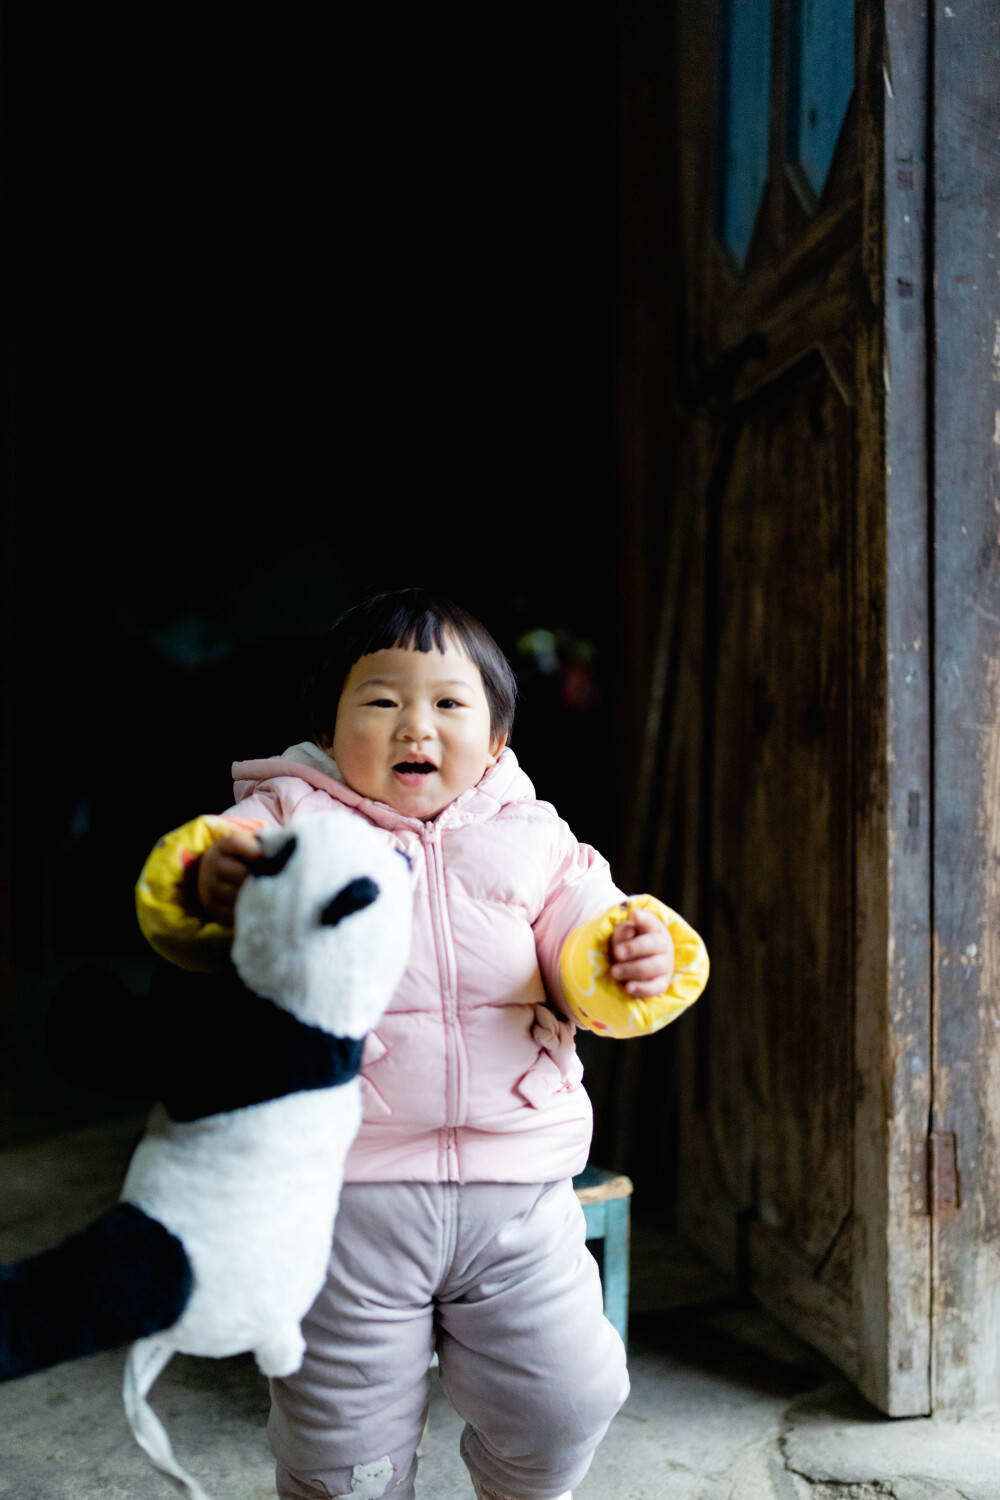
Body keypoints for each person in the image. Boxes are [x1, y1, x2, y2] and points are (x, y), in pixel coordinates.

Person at [135, 588, 707, 1500]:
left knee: (569, 1397)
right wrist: (211, 880)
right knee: (343, 1449)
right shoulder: (289, 821)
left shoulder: (536, 840)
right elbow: (197, 887)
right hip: (347, 1200)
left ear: (497, 742)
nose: (416, 725)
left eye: (448, 703)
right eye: (381, 700)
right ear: (328, 727)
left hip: (516, 1197)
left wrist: (630, 953)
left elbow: (586, 936)